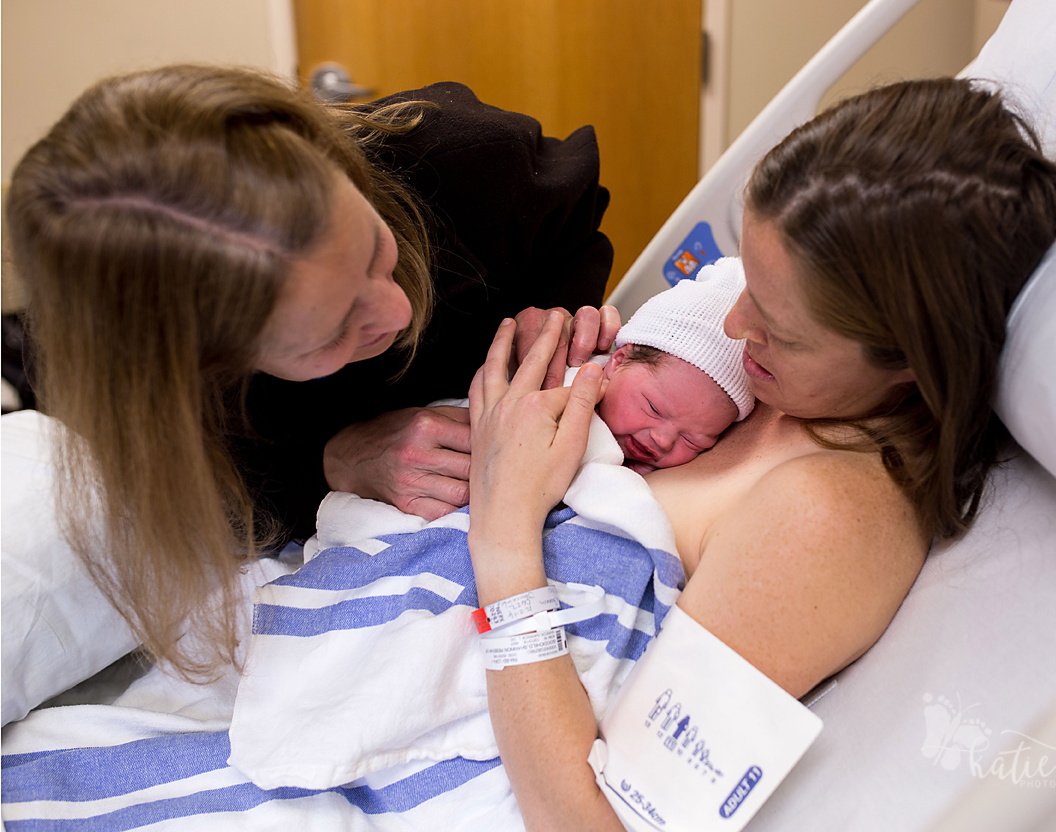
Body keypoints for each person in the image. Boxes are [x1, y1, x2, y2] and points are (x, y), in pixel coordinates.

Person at [463, 77, 1056, 829]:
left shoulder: (828, 518)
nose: (731, 322)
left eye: (780, 330)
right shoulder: (771, 388)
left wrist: (502, 537)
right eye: (744, 281)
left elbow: (596, 821)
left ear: (909, 360)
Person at [4, 65, 620, 680]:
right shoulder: (155, 404)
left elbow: (572, 219)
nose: (398, 311)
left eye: (380, 253)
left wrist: (554, 311)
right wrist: (330, 462)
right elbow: (207, 498)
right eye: (331, 331)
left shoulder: (462, 159)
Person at [593, 255, 754, 474]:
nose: (662, 441)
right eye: (653, 409)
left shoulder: (642, 480)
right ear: (619, 361)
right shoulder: (558, 387)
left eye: (692, 442)